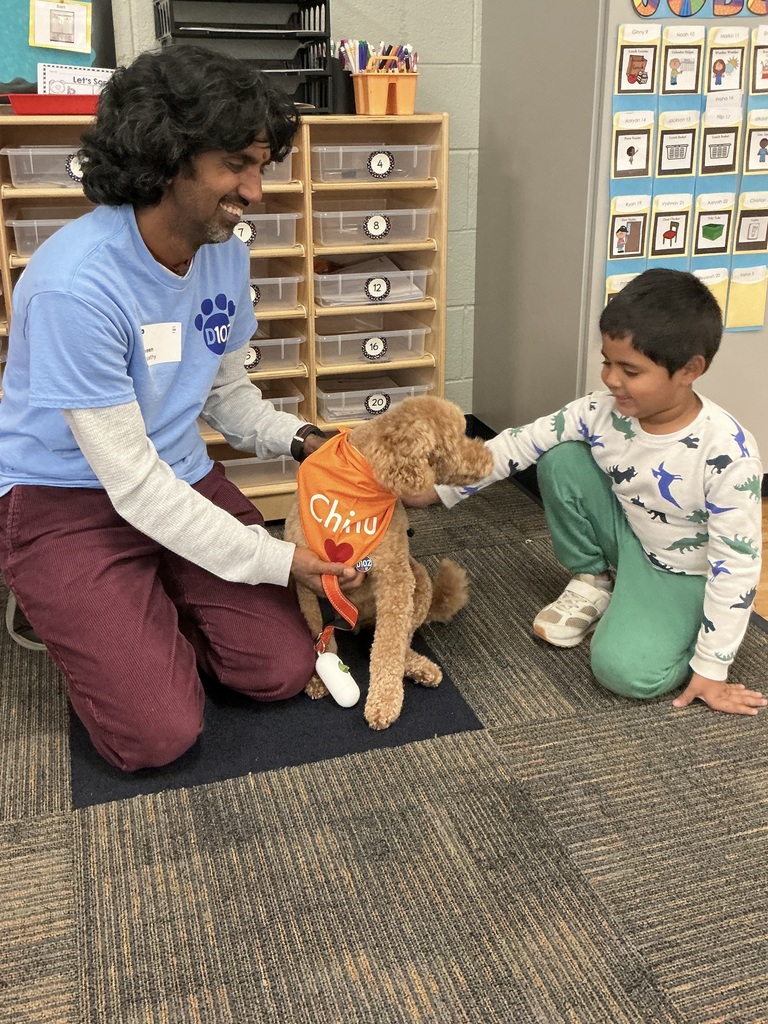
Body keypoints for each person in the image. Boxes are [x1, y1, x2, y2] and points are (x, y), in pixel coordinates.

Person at [0, 45, 365, 772]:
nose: (256, 190)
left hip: (179, 475)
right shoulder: (76, 285)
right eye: (237, 164)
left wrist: (314, 444)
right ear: (168, 158)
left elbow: (228, 397)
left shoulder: (221, 245)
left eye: (262, 165)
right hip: (65, 497)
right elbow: (132, 485)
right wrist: (276, 558)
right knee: (157, 735)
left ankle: (149, 592)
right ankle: (82, 601)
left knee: (278, 671)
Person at [436, 269, 765, 716]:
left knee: (624, 672)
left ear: (690, 370)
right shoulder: (601, 410)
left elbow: (737, 566)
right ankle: (597, 580)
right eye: (607, 361)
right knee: (561, 455)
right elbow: (519, 442)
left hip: (684, 571)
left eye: (630, 370)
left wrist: (712, 666)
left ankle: (661, 619)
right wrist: (440, 489)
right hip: (632, 532)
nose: (611, 379)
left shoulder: (728, 454)